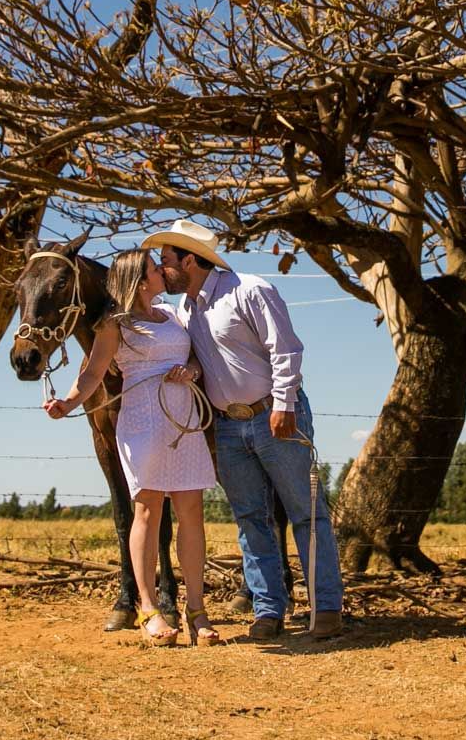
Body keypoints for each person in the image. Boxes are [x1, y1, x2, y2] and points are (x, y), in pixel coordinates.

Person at [142, 219, 344, 640]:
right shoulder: (187, 309)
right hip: (230, 427)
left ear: (190, 260)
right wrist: (192, 369)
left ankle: (326, 607)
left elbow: (285, 348)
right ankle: (268, 609)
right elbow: (212, 361)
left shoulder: (250, 290)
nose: (162, 270)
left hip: (274, 414)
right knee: (251, 518)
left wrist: (285, 402)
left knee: (306, 513)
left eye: (166, 261)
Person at [44, 247, 222, 646]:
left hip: (183, 418)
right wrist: (67, 404)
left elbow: (195, 360)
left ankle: (197, 610)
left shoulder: (175, 316)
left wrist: (190, 371)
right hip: (143, 421)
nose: (163, 271)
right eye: (155, 269)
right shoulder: (115, 325)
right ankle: (149, 609)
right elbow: (91, 373)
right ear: (141, 281)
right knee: (147, 510)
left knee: (191, 511)